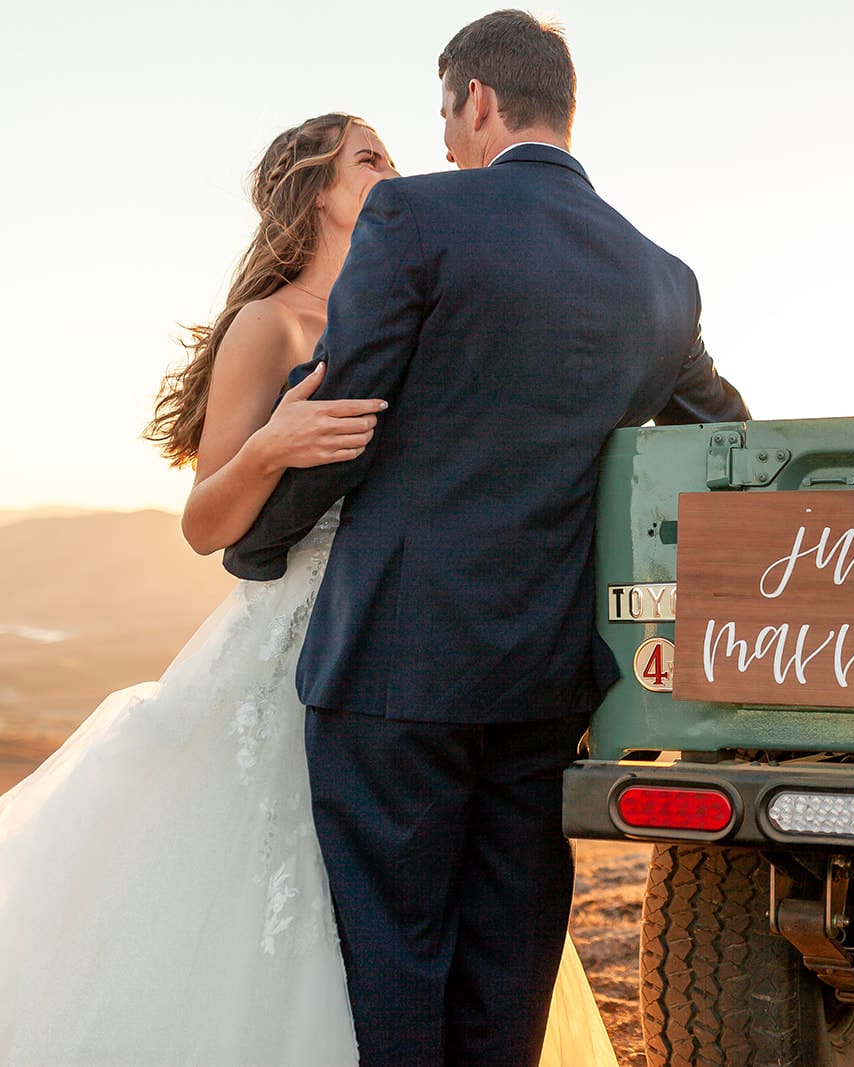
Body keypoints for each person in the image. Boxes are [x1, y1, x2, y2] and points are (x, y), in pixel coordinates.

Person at [0, 112, 618, 1067]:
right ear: (317, 194)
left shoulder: (415, 309)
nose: (395, 171)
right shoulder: (271, 322)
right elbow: (205, 521)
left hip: (414, 644)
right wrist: (273, 445)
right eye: (369, 158)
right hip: (297, 637)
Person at [223, 11, 750, 1066]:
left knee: (398, 952)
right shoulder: (662, 275)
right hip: (547, 673)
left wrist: (259, 543)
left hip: (395, 662)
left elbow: (348, 411)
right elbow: (722, 440)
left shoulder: (418, 218)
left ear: (475, 98)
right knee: (509, 958)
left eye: (446, 117)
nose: (447, 145)